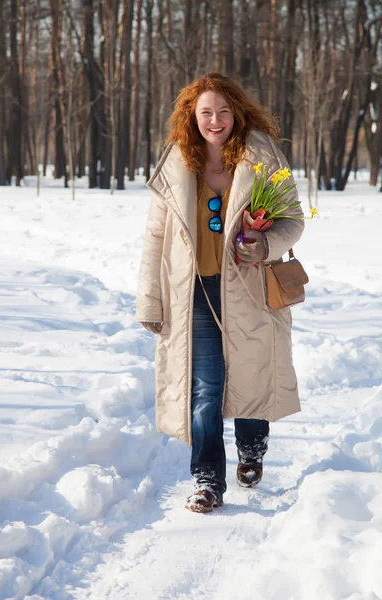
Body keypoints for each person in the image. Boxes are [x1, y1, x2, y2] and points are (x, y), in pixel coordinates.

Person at [135, 72, 304, 513]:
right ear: (192, 114)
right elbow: (156, 237)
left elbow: (294, 220)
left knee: (250, 372)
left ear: (237, 113)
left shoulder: (261, 156)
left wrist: (265, 243)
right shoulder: (177, 162)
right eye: (206, 112)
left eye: (224, 111)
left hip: (247, 289)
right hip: (193, 292)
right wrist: (150, 297)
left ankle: (252, 449)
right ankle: (208, 479)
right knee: (206, 387)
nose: (216, 120)